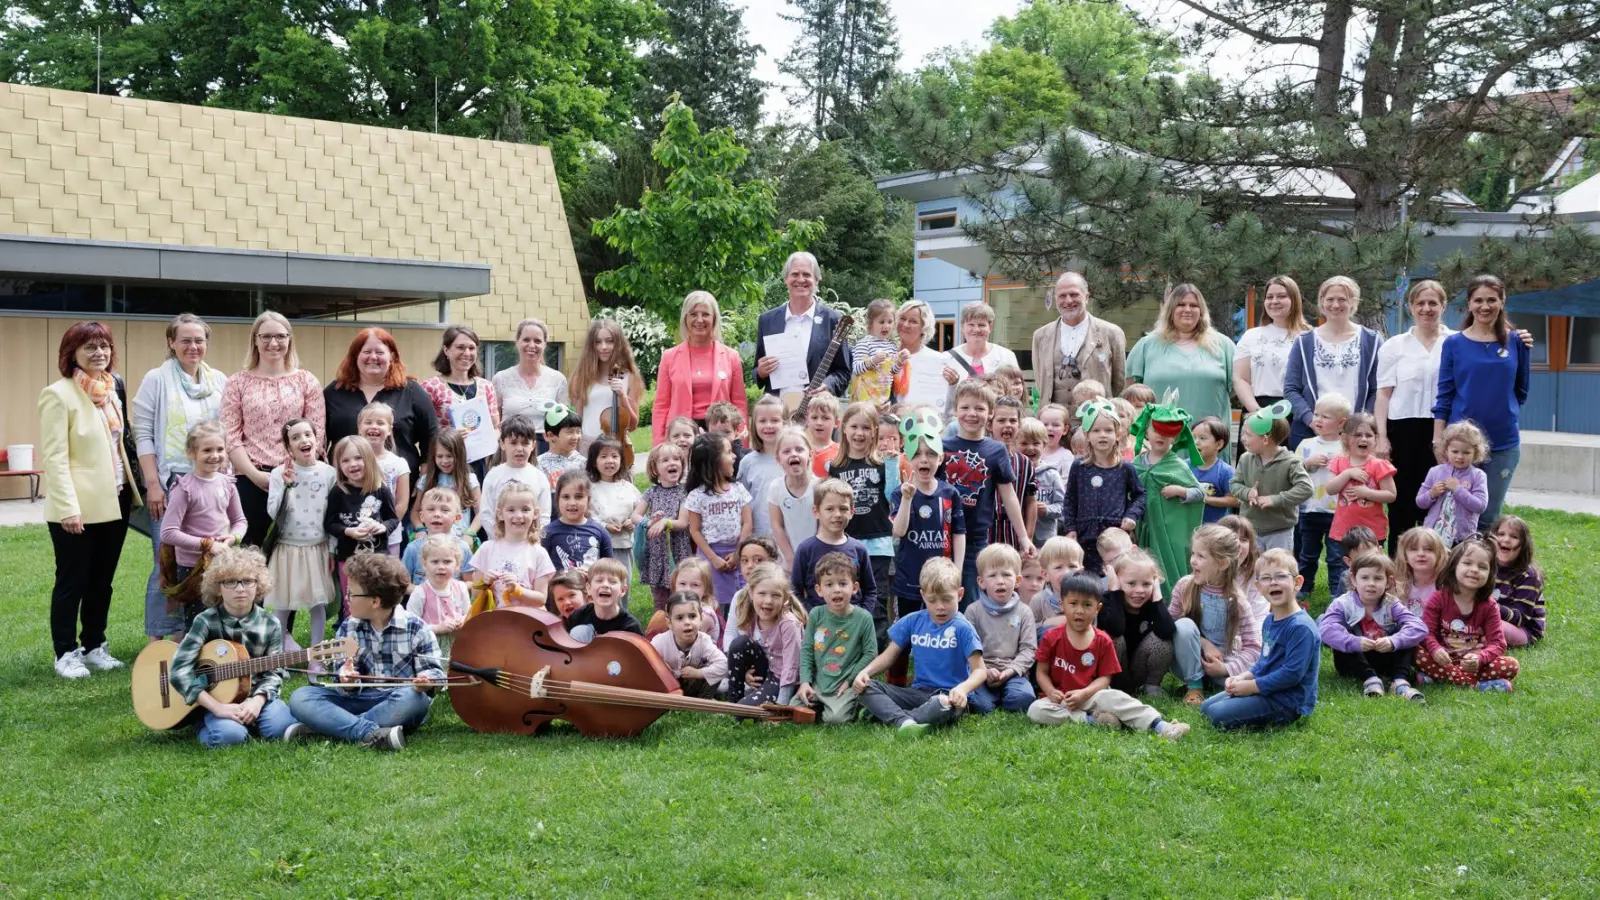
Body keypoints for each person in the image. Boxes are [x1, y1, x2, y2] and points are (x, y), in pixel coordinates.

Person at [40, 322, 141, 678]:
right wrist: (68, 508)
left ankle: (94, 644)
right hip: (77, 508)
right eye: (89, 347)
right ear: (72, 353)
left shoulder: (113, 388)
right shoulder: (59, 394)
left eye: (104, 346)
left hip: (114, 500)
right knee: (73, 581)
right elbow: (54, 457)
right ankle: (65, 652)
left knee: (102, 580)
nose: (99, 353)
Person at [133, 312, 229, 642]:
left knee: (207, 560)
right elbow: (143, 433)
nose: (193, 346)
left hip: (212, 483)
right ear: (171, 343)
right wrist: (153, 483)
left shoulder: (218, 380)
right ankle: (159, 640)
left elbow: (227, 432)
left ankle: (196, 633)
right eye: (185, 340)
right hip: (172, 481)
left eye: (199, 340)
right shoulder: (156, 380)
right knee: (168, 562)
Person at [287, 552, 443, 751]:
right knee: (301, 697)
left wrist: (425, 680)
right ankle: (370, 733)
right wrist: (347, 679)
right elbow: (342, 675)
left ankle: (328, 727)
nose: (347, 598)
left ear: (375, 602)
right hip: (356, 700)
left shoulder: (417, 628)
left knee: (414, 699)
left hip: (395, 701)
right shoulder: (348, 627)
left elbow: (436, 672)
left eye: (351, 593)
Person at [1028, 573, 1190, 739]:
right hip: (1060, 699)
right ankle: (1092, 720)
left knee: (1117, 698)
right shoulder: (1051, 637)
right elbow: (1042, 671)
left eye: (1087, 605)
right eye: (1073, 603)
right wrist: (1051, 691)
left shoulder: (1102, 640)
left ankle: (1161, 726)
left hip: (1093, 695)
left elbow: (1105, 679)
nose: (1079, 611)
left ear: (1097, 609)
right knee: (1036, 710)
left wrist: (1084, 694)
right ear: (1062, 605)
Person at [168, 547, 298, 747]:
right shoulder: (205, 621)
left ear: (259, 585)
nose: (240, 589)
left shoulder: (270, 623)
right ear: (218, 587)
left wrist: (257, 701)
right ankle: (204, 722)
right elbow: (179, 670)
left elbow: (274, 671)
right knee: (230, 737)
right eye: (230, 582)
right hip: (215, 700)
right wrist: (217, 708)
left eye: (248, 581)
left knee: (281, 729)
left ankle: (248, 719)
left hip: (256, 695)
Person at [221, 312, 325, 548]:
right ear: (255, 340)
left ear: (290, 340)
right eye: (266, 336)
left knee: (294, 548)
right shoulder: (237, 382)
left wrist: (287, 476)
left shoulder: (306, 381)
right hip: (250, 479)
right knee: (252, 553)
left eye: (280, 336)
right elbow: (231, 436)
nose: (273, 343)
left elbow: (316, 433)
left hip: (298, 478)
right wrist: (255, 475)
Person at [1433, 275, 1530, 526]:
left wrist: (1500, 413)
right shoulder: (1454, 343)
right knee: (1455, 513)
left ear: (1502, 301)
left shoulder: (1517, 341)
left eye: (1491, 300)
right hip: (1461, 445)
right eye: (1478, 300)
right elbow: (1444, 395)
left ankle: (1485, 566)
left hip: (1503, 443)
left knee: (1488, 516)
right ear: (1469, 303)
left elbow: (1522, 390)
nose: (1484, 306)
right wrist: (1438, 440)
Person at [854, 557, 987, 738]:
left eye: (947, 599)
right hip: (917, 693)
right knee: (866, 687)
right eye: (932, 600)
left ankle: (891, 716)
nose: (940, 607)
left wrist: (963, 689)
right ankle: (905, 721)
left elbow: (980, 671)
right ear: (923, 595)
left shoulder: (963, 628)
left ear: (960, 594)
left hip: (949, 696)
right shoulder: (913, 620)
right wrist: (866, 672)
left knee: (941, 704)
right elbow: (889, 656)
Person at [1200, 548, 1321, 730]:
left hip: (1286, 701)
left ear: (1297, 582)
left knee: (1217, 715)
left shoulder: (1301, 628)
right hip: (1264, 690)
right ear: (1258, 587)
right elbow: (1264, 662)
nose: (1273, 583)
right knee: (1206, 707)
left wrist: (1251, 687)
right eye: (1266, 578)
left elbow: (1292, 674)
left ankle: (1272, 713)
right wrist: (1241, 677)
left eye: (1281, 576)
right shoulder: (1269, 621)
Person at [1377, 280, 1455, 548]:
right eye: (1420, 303)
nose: (1426, 309)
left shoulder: (1455, 342)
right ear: (1411, 307)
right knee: (1401, 504)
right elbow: (1383, 395)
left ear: (1443, 306)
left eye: (1433, 303)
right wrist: (1382, 438)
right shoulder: (1394, 346)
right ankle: (1397, 570)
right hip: (1403, 431)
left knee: (1436, 502)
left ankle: (1432, 569)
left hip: (1441, 431)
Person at [945, 381, 1032, 605]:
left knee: (971, 596)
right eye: (965, 407)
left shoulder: (995, 450)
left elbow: (1009, 495)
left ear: (990, 413)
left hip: (975, 536)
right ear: (955, 410)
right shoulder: (942, 447)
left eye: (980, 408)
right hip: (942, 534)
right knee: (942, 592)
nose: (971, 414)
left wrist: (1023, 538)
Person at [324, 328, 438, 489]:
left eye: (379, 352)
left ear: (392, 355)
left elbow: (431, 435)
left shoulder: (411, 391)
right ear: (355, 355)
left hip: (398, 488)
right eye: (366, 351)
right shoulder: (334, 392)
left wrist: (424, 479)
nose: (373, 357)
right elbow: (320, 438)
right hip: (344, 489)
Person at [160, 420, 247, 627]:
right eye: (207, 450)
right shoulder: (184, 489)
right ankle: (197, 658)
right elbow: (168, 532)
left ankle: (225, 657)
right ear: (191, 453)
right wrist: (207, 544)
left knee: (226, 618)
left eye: (220, 449)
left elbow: (240, 521)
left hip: (224, 562)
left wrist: (233, 538)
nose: (214, 455)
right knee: (199, 621)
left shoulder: (227, 483)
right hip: (193, 568)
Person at [1284, 276, 1382, 450]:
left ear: (1353, 302)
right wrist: (1311, 419)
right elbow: (1291, 389)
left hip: (1356, 436)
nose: (1335, 305)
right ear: (1322, 302)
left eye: (1342, 299)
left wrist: (1362, 423)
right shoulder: (1304, 341)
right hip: (1309, 433)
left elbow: (1377, 389)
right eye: (1330, 299)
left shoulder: (1372, 340)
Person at [1169, 524, 1263, 705]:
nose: (1193, 561)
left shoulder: (1237, 600)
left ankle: (1214, 682)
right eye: (1193, 554)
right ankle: (1195, 685)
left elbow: (1254, 646)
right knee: (1183, 625)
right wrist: (1204, 644)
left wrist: (1225, 668)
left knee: (1247, 684)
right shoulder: (1184, 586)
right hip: (1187, 663)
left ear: (1222, 563)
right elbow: (1169, 623)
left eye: (1201, 556)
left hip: (1222, 665)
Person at [265, 419, 338, 651]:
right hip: (288, 548)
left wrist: (332, 550)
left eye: (307, 434)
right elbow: (274, 512)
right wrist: (287, 486)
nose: (303, 440)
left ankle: (317, 655)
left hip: (317, 548)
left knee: (318, 605)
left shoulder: (329, 473)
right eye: (295, 437)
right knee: (282, 605)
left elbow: (334, 514)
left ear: (317, 440)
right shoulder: (279, 474)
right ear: (288, 448)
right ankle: (277, 656)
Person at [1127, 283, 1237, 435]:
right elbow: (1131, 394)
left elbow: (1237, 386)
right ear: (1170, 310)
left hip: (1209, 441)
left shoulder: (1223, 345)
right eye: (1181, 304)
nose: (1187, 309)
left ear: (1201, 311)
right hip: (1159, 440)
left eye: (1194, 305)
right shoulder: (1147, 346)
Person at [1318, 551, 1427, 701]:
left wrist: (1393, 641)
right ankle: (1370, 679)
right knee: (1342, 629)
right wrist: (1354, 642)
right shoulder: (1343, 603)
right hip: (1352, 662)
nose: (1371, 583)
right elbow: (1325, 629)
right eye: (1364, 577)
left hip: (1385, 657)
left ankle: (1400, 681)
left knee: (1406, 632)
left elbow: (1419, 627)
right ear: (1353, 580)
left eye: (1377, 578)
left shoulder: (1391, 603)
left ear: (1388, 582)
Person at [830, 401, 900, 632]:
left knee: (877, 600)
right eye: (854, 427)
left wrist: (892, 463)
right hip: (846, 543)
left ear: (875, 432)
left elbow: (892, 496)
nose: (860, 433)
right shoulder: (835, 466)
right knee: (850, 597)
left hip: (878, 543)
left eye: (866, 428)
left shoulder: (882, 463)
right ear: (844, 429)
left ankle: (877, 652)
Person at [1415, 537, 1519, 691]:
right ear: (1454, 566)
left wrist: (1479, 657)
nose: (1475, 570)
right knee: (1414, 651)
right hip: (1443, 659)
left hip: (1474, 663)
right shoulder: (1439, 598)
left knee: (1511, 665)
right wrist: (1435, 649)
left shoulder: (1489, 606)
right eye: (1467, 563)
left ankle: (1440, 677)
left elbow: (1498, 643)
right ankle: (1476, 685)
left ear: (1490, 574)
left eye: (1482, 567)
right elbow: (1426, 633)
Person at [891, 419, 966, 623]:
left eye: (931, 454)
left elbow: (958, 533)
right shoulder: (900, 493)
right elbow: (898, 531)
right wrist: (907, 499)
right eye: (917, 454)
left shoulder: (950, 493)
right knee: (908, 633)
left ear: (940, 458)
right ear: (907, 459)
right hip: (909, 582)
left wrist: (957, 570)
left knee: (943, 626)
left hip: (943, 582)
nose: (924, 459)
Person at [754, 251, 853, 402]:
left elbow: (843, 371)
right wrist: (761, 372)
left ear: (817, 280)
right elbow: (757, 370)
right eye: (795, 274)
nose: (801, 279)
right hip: (777, 415)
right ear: (786, 279)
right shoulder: (767, 320)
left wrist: (827, 385)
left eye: (807, 274)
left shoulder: (833, 319)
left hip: (816, 413)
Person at [794, 552, 878, 723]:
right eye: (829, 584)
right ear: (819, 590)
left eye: (842, 583)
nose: (836, 589)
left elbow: (870, 653)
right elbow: (808, 649)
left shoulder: (863, 618)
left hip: (845, 684)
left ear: (854, 588)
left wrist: (850, 680)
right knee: (794, 711)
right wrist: (805, 682)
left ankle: (858, 703)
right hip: (819, 683)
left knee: (835, 720)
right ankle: (819, 705)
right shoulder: (816, 614)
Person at [1232, 276, 1311, 457]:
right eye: (1270, 297)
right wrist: (1257, 412)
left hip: (1297, 413)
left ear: (1294, 299)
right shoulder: (1251, 336)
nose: (1274, 301)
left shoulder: (1309, 337)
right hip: (1259, 412)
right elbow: (1240, 378)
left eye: (1281, 296)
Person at [1062, 400, 1144, 574]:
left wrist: (1131, 515)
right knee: (1089, 584)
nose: (1102, 435)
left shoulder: (1125, 468)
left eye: (1108, 430)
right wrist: (1070, 528)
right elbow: (1070, 499)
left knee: (1114, 582)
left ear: (1118, 433)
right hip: (1085, 538)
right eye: (1096, 430)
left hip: (1115, 540)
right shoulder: (1079, 467)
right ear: (1087, 435)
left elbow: (1140, 495)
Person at [1129, 400, 1205, 587]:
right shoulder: (1137, 463)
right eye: (1156, 430)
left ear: (1176, 438)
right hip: (1141, 527)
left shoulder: (1177, 465)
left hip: (1166, 531)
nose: (1160, 436)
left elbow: (1199, 493)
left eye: (1167, 433)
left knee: (1165, 568)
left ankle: (1171, 600)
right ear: (1146, 432)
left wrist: (1181, 491)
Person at [655, 291, 747, 442]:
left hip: (721, 436)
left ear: (714, 318)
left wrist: (741, 442)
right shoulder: (669, 357)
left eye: (705, 314)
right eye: (693, 314)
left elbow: (739, 404)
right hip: (682, 436)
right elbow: (661, 406)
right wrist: (659, 444)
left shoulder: (731, 356)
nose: (699, 320)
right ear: (685, 318)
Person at [323, 436, 399, 610]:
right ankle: (353, 634)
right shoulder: (338, 492)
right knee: (352, 602)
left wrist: (382, 527)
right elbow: (330, 523)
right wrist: (347, 531)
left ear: (369, 459)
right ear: (339, 465)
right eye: (346, 460)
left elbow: (393, 519)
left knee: (379, 599)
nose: (353, 464)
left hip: (378, 558)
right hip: (349, 560)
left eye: (358, 458)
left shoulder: (381, 489)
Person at [962, 544, 1039, 714]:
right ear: (981, 582)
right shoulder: (973, 611)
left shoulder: (1024, 612)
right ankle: (990, 698)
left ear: (1018, 580)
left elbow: (1029, 649)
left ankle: (1005, 696)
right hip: (981, 673)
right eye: (992, 575)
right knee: (978, 705)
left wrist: (1010, 671)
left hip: (1013, 673)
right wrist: (984, 671)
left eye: (1006, 574)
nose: (1000, 581)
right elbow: (966, 649)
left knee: (1024, 698)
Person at [1031, 272, 1128, 406]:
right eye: (1062, 296)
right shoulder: (1041, 336)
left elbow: (1118, 383)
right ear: (1055, 299)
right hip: (1052, 422)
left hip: (1097, 421)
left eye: (1074, 294)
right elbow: (1040, 381)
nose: (1068, 300)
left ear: (1087, 297)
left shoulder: (1111, 333)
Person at [418, 325, 500, 482]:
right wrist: (450, 436)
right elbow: (423, 432)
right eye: (460, 347)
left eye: (471, 348)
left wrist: (488, 438)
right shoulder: (432, 387)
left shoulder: (486, 386)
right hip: (444, 464)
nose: (467, 353)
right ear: (446, 350)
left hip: (478, 465)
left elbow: (496, 427)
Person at [683, 432, 753, 614]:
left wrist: (738, 553)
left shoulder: (738, 490)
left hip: (737, 554)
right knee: (712, 604)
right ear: (714, 461)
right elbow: (695, 531)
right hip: (710, 557)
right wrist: (713, 558)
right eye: (729, 452)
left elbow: (747, 523)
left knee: (741, 603)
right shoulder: (697, 496)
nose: (735, 456)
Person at [1230, 402, 1312, 552]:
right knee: (1249, 570)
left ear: (1265, 439)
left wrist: (1275, 499)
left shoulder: (1291, 462)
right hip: (1250, 529)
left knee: (1277, 566)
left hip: (1280, 531)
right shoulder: (1246, 459)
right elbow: (1234, 484)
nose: (1243, 438)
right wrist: (1247, 492)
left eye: (1248, 434)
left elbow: (1306, 489)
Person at [791, 478, 878, 614]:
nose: (837, 515)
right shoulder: (806, 549)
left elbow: (870, 590)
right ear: (816, 511)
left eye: (843, 509)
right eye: (830, 509)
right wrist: (811, 616)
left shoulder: (858, 549)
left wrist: (861, 616)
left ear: (851, 512)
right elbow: (795, 591)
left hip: (853, 626)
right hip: (818, 627)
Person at [1096, 549, 1176, 697]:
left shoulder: (1151, 603)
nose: (1139, 590)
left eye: (1146, 584)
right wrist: (1115, 592)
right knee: (1113, 639)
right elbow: (1115, 629)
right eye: (1131, 583)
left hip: (1138, 669)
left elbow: (1167, 631)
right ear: (1117, 581)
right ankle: (1115, 689)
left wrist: (1157, 596)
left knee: (1162, 641)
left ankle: (1151, 686)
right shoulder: (1108, 600)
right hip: (1113, 673)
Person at [466, 481, 555, 613]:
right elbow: (475, 594)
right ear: (500, 514)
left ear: (535, 513)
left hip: (525, 624)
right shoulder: (486, 549)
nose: (518, 516)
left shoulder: (539, 553)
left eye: (525, 509)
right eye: (511, 510)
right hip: (493, 623)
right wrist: (484, 583)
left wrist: (519, 591)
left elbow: (541, 599)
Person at [725, 562, 806, 706]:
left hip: (785, 680)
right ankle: (734, 702)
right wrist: (746, 674)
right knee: (739, 644)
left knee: (744, 711)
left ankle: (743, 707)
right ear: (751, 593)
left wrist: (782, 705)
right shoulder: (752, 614)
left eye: (775, 595)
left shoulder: (789, 624)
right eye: (762, 593)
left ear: (785, 598)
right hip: (767, 671)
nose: (768, 601)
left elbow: (791, 666)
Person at [1295, 392, 1351, 597]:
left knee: (1336, 554)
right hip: (1309, 508)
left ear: (1341, 423)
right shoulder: (1306, 445)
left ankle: (1337, 591)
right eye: (1316, 414)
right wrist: (1307, 463)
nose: (1318, 419)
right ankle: (1304, 586)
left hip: (1337, 510)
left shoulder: (1346, 448)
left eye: (1325, 417)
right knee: (1307, 553)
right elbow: (1292, 469)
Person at [567, 318, 643, 467]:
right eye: (598, 342)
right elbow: (578, 420)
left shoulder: (630, 377)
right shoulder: (582, 378)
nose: (604, 347)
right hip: (588, 444)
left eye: (609, 341)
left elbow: (633, 425)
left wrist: (622, 396)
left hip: (617, 444)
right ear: (591, 345)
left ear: (618, 344)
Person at [493, 317, 569, 451]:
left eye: (538, 341)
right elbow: (494, 423)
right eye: (526, 339)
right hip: (511, 447)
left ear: (545, 344)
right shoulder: (501, 378)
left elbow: (563, 422)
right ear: (517, 342)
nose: (532, 345)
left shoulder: (558, 379)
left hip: (546, 448)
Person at [1323, 412, 1399, 546]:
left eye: (1368, 435)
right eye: (1357, 435)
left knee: (1369, 564)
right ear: (1345, 438)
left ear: (1375, 439)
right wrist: (1347, 474)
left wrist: (1366, 493)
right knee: (1341, 565)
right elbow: (1330, 489)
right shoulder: (1339, 462)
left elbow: (1391, 495)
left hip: (1372, 532)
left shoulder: (1379, 465)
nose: (1363, 439)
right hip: (1343, 531)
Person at [636, 442, 693, 611]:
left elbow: (683, 523)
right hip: (657, 554)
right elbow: (635, 516)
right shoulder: (651, 493)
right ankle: (660, 628)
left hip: (678, 552)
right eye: (665, 460)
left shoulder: (684, 492)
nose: (672, 463)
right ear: (655, 469)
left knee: (682, 596)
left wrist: (665, 522)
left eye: (677, 459)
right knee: (660, 601)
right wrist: (649, 522)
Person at [1417, 421, 1491, 546]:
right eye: (1455, 451)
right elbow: (1420, 502)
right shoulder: (1435, 471)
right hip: (1433, 535)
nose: (1460, 456)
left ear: (1476, 453)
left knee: (1458, 565)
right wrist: (1432, 493)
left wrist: (1458, 490)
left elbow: (1480, 506)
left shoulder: (1478, 475)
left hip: (1462, 538)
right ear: (1446, 450)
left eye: (1466, 452)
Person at [480, 415, 551, 538]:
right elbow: (487, 512)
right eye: (513, 443)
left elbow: (544, 515)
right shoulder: (493, 475)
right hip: (499, 543)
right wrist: (500, 538)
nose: (519, 449)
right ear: (502, 444)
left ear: (533, 445)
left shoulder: (539, 477)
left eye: (525, 443)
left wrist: (533, 538)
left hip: (529, 544)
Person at [650, 593, 729, 698]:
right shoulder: (660, 642)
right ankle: (669, 700)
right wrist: (661, 667)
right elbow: (644, 663)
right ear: (669, 623)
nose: (687, 622)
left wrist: (698, 673)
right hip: (667, 687)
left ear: (701, 618)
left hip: (694, 686)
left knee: (714, 669)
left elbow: (724, 664)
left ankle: (703, 701)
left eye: (692, 616)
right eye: (679, 618)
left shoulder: (704, 640)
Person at [889, 299, 960, 415]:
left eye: (913, 321)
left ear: (924, 327)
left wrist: (953, 384)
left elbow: (948, 407)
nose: (906, 325)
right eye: (902, 319)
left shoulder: (938, 361)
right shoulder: (886, 355)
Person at [357, 401, 410, 556]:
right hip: (357, 535)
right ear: (359, 428)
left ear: (389, 430)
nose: (374, 426)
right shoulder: (351, 461)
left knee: (386, 577)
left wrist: (385, 527)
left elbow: (401, 503)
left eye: (380, 423)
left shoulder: (399, 464)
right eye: (368, 422)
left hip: (389, 537)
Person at [404, 533, 470, 651]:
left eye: (447, 562)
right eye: (435, 562)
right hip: (430, 646)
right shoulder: (420, 593)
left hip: (458, 643)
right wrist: (438, 628)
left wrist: (462, 620)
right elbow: (411, 626)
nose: (441, 567)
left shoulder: (461, 588)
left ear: (457, 565)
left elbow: (469, 613)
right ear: (424, 564)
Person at [587, 436, 641, 577]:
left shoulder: (629, 488)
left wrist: (633, 521)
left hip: (624, 544)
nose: (610, 461)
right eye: (603, 456)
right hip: (597, 546)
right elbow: (587, 516)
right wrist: (604, 526)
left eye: (614, 456)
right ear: (594, 462)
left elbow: (640, 511)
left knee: (622, 582)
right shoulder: (590, 489)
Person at [411, 428, 480, 538]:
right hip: (432, 541)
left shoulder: (469, 480)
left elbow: (480, 513)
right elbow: (416, 511)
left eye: (449, 456)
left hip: (460, 541)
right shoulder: (426, 480)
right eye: (440, 456)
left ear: (459, 454)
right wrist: (420, 529)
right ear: (433, 456)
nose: (444, 461)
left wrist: (470, 533)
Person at [1488, 515, 1544, 646]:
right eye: (1501, 534)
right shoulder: (1486, 566)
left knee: (1493, 625)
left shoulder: (1529, 576)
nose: (1506, 540)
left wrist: (1492, 608)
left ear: (1523, 545)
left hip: (1523, 629)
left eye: (1514, 537)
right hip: (1490, 616)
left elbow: (1521, 618)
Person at [738, 396, 787, 542]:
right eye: (762, 421)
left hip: (790, 536)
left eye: (775, 420)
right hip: (758, 538)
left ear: (785, 423)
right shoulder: (748, 462)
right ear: (755, 425)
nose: (769, 425)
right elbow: (741, 503)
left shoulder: (793, 459)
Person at [400, 488, 474, 585]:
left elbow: (470, 582)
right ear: (421, 516)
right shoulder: (413, 549)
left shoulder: (463, 548)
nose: (437, 514)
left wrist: (455, 589)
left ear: (457, 518)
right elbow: (403, 585)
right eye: (431, 509)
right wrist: (424, 592)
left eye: (445, 510)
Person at [767, 428, 818, 567]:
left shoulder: (820, 487)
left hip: (818, 558)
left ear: (810, 454)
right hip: (788, 561)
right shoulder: (776, 488)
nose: (793, 454)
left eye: (799, 449)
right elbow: (776, 525)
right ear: (778, 459)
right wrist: (790, 558)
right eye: (786, 451)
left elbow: (823, 526)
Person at [544, 471, 613, 572]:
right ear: (557, 499)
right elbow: (541, 572)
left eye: (579, 497)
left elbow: (609, 569)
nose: (572, 503)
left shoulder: (600, 532)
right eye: (566, 497)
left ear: (588, 499)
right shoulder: (547, 533)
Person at [564, 558, 643, 640]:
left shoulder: (630, 627)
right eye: (599, 580)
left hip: (616, 652)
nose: (605, 585)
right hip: (582, 651)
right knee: (580, 631)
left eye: (612, 581)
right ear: (588, 588)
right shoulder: (578, 616)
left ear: (622, 590)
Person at [848, 298, 906, 406]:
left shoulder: (892, 346)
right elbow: (856, 369)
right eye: (881, 322)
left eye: (890, 322)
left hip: (882, 398)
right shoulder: (864, 343)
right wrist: (873, 360)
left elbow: (892, 371)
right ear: (870, 323)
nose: (886, 326)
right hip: (863, 399)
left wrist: (900, 361)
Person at [1020, 418, 1064, 547]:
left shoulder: (1051, 474)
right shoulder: (1013, 473)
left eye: (1036, 443)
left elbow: (1063, 505)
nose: (1030, 448)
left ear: (1044, 445)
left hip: (1044, 539)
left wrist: (1047, 510)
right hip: (1018, 535)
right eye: (1024, 443)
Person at [948, 301, 1020, 379]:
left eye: (981, 325)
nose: (976, 329)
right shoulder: (949, 358)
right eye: (971, 324)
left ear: (990, 327)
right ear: (962, 327)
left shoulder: (1006, 357)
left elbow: (1017, 388)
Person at [1189, 416, 1238, 525]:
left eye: (1202, 438)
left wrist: (1206, 499)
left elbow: (1235, 500)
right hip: (1187, 527)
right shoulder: (1184, 466)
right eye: (1193, 438)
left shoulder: (1225, 472)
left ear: (1218, 444)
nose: (1196, 442)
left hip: (1214, 530)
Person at [1395, 526, 1448, 616]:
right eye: (1414, 549)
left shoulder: (1446, 585)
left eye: (1428, 549)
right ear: (1405, 556)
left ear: (1439, 555)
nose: (1421, 554)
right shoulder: (1398, 585)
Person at [535, 403, 585, 486]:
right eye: (570, 432)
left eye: (578, 432)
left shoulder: (583, 463)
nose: (575, 437)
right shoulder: (539, 465)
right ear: (550, 436)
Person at [803, 394, 841, 477]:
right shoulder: (800, 449)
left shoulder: (841, 452)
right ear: (807, 420)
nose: (819, 423)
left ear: (836, 423)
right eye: (814, 417)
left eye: (825, 418)